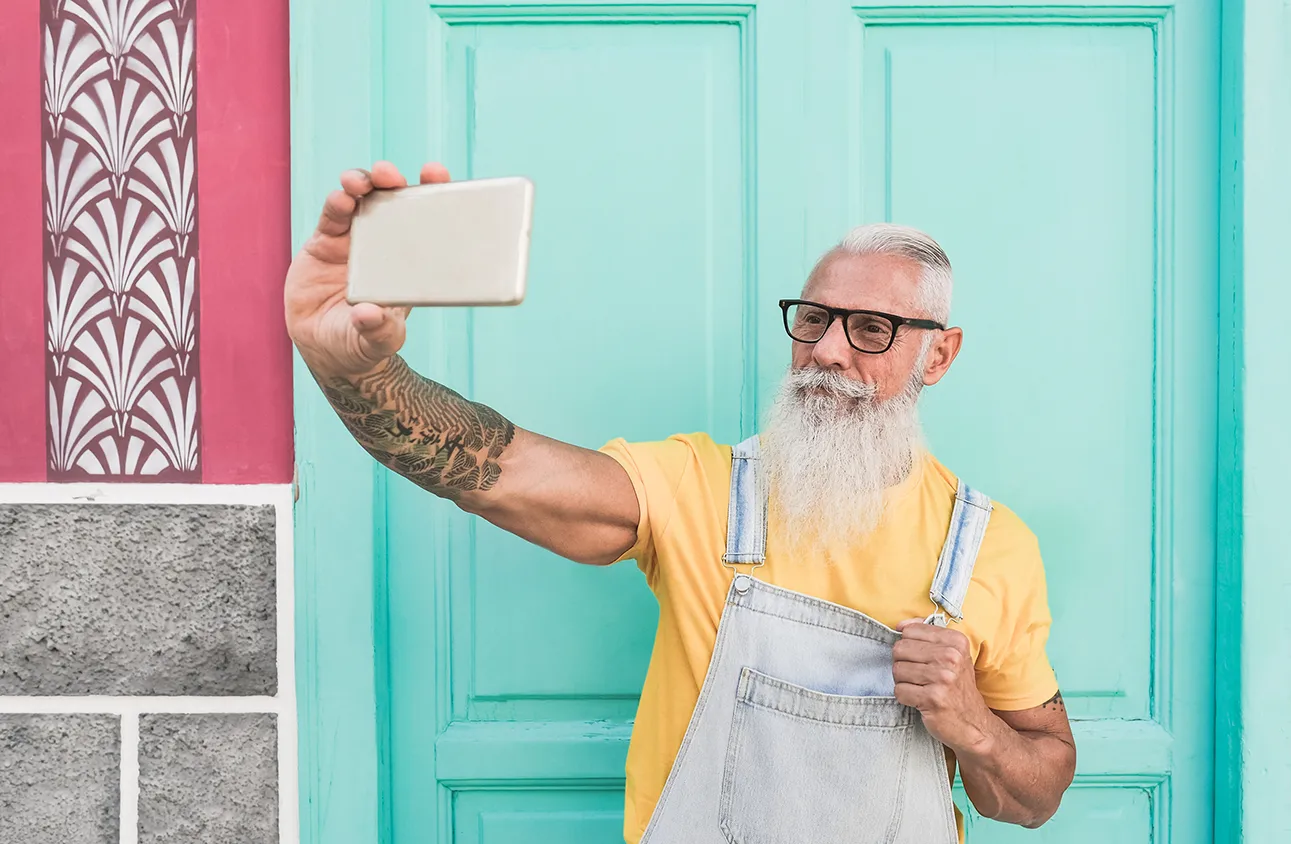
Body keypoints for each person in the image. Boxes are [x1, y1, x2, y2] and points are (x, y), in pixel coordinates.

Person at [285, 161, 1077, 843]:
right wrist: (354, 370)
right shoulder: (699, 489)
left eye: (872, 329)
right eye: (812, 320)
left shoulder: (989, 547)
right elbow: (495, 468)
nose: (827, 352)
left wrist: (974, 725)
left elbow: (1036, 794)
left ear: (939, 355)